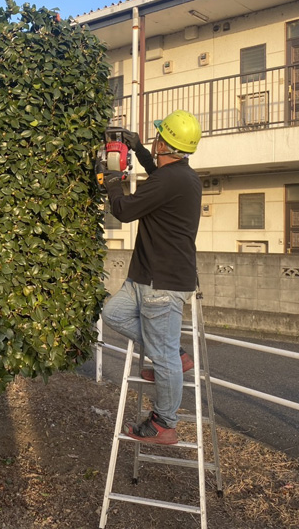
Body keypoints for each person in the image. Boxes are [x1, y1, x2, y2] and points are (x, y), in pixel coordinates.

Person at [100, 110, 202, 445]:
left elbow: (125, 211)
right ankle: (174, 355)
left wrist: (110, 180)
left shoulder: (170, 180)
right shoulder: (181, 176)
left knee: (164, 355)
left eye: (156, 138)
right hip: (147, 276)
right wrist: (139, 149)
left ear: (164, 141)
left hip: (163, 282)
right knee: (113, 313)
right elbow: (159, 174)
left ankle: (164, 423)